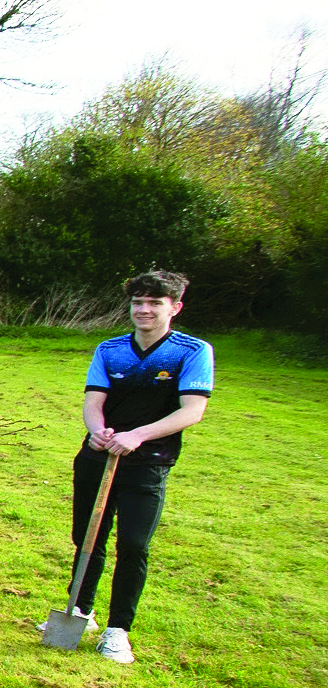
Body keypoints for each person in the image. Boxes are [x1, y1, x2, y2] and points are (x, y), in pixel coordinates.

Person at [54, 271, 213, 665]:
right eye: (138, 302)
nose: (144, 310)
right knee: (87, 537)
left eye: (154, 303)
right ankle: (80, 611)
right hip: (98, 456)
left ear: (174, 307)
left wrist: (138, 435)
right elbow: (94, 399)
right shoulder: (110, 349)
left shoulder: (191, 351)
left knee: (134, 546)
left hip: (148, 462)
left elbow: (192, 410)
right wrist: (97, 431)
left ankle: (117, 630)